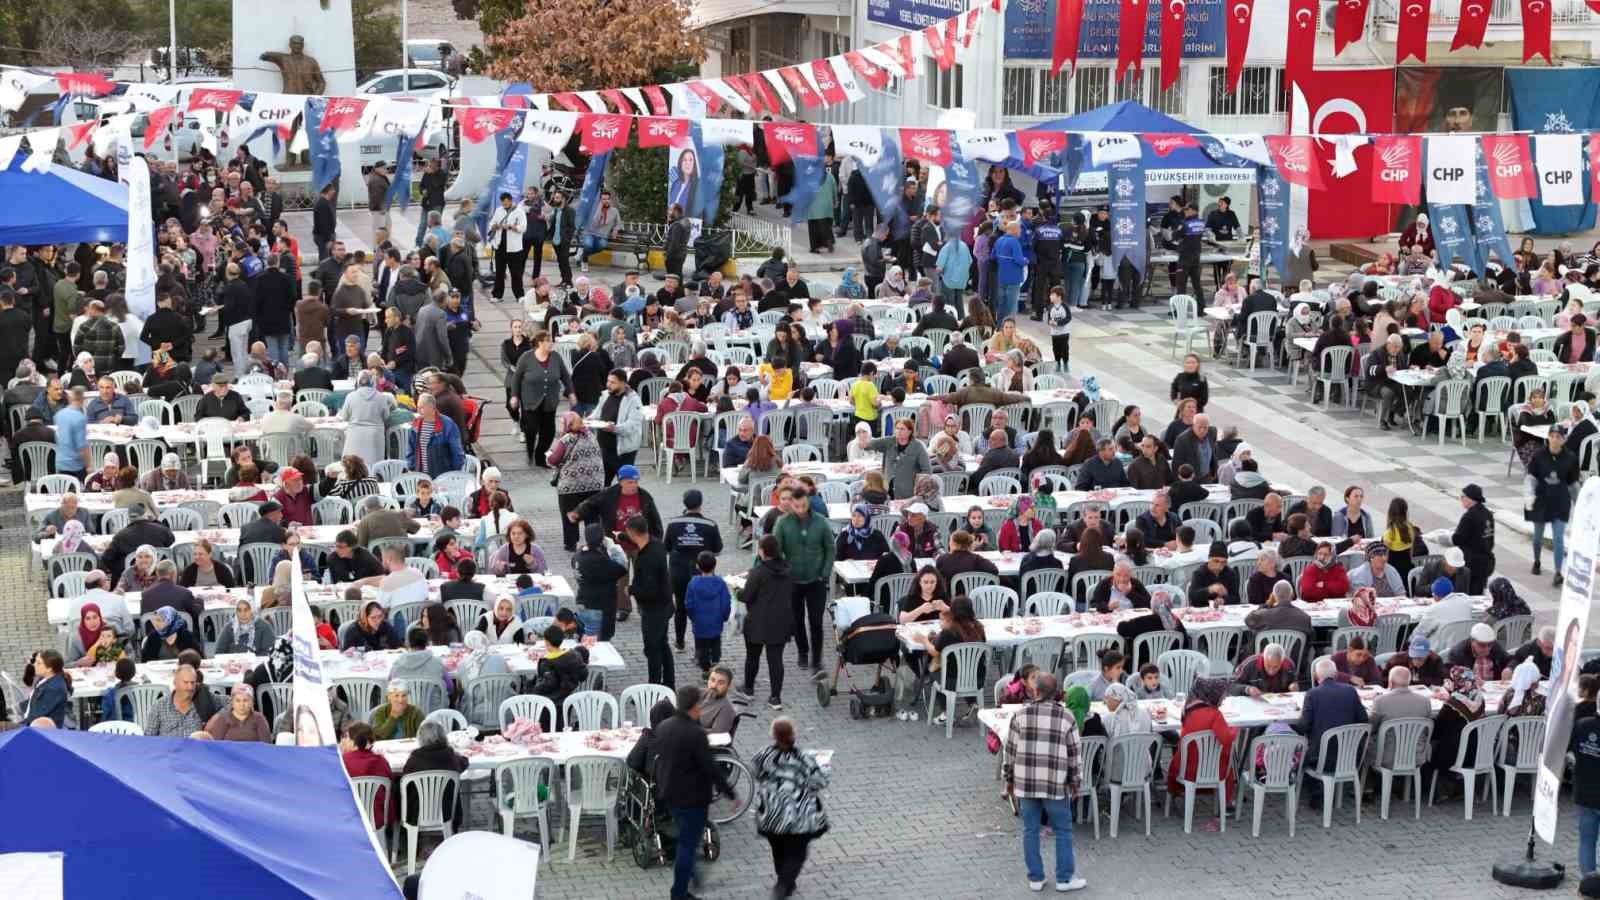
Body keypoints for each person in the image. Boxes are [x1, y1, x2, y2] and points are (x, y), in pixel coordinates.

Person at [999, 671, 1087, 893]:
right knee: (1063, 830)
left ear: (1034, 691)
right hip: (1055, 784)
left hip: (1026, 784)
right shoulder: (1066, 717)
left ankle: (1036, 878)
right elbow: (1075, 754)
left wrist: (1008, 780)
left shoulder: (1020, 715)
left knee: (1030, 830)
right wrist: (1075, 782)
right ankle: (1064, 879)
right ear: (1057, 693)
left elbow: (1009, 752)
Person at [655, 685, 738, 900]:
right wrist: (730, 793)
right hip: (692, 799)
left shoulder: (664, 726)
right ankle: (679, 893)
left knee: (686, 838)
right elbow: (710, 768)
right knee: (687, 846)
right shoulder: (696, 734)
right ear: (694, 706)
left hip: (670, 794)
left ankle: (692, 876)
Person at [751, 715, 830, 899]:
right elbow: (819, 781)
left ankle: (785, 881)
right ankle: (783, 885)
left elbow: (755, 772)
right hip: (798, 816)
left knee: (778, 848)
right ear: (793, 735)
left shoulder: (764, 755)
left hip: (770, 813)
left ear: (774, 735)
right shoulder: (804, 758)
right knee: (797, 852)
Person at [774, 486, 835, 674]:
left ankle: (817, 659)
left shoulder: (821, 522)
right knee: (797, 620)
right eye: (796, 506)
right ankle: (802, 652)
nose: (800, 509)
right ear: (791, 504)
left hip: (816, 580)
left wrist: (824, 573)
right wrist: (784, 571)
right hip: (793, 580)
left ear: (808, 503)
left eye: (803, 505)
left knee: (816, 622)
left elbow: (830, 549)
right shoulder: (782, 523)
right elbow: (777, 550)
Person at [741, 535, 794, 710]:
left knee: (752, 657)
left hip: (758, 622)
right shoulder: (787, 569)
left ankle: (748, 689)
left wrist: (737, 590)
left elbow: (747, 596)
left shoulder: (758, 572)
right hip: (781, 621)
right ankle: (775, 697)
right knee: (776, 660)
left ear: (763, 551)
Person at [1528, 427, 1578, 586]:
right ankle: (1536, 560)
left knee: (1558, 538)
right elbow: (1530, 478)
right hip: (1541, 501)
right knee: (1537, 537)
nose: (1555, 439)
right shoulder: (1538, 455)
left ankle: (1558, 572)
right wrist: (1528, 496)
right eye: (1552, 436)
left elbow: (1573, 484)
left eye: (1559, 437)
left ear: (1563, 439)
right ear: (1548, 437)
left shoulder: (1570, 458)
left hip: (1560, 502)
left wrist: (1579, 504)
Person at [574, 524, 629, 642]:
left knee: (585, 639)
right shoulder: (599, 560)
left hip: (583, 603)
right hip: (598, 607)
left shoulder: (579, 554)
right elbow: (622, 567)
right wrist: (614, 547)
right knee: (597, 645)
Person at [530, 625, 590, 723]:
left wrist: (533, 689)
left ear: (547, 642)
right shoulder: (574, 656)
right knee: (563, 723)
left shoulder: (546, 663)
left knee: (548, 728)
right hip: (567, 698)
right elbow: (583, 673)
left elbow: (547, 685)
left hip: (550, 703)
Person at [145, 664, 206, 737]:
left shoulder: (203, 703)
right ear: (175, 683)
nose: (190, 687)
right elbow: (149, 737)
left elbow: (222, 706)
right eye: (186, 682)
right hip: (167, 748)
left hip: (194, 747)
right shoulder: (159, 706)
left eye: (192, 683)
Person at [204, 684, 273, 742]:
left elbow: (266, 745)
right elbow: (216, 745)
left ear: (252, 702)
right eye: (238, 700)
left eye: (245, 700)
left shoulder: (259, 718)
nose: (242, 704)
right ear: (232, 703)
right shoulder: (223, 719)